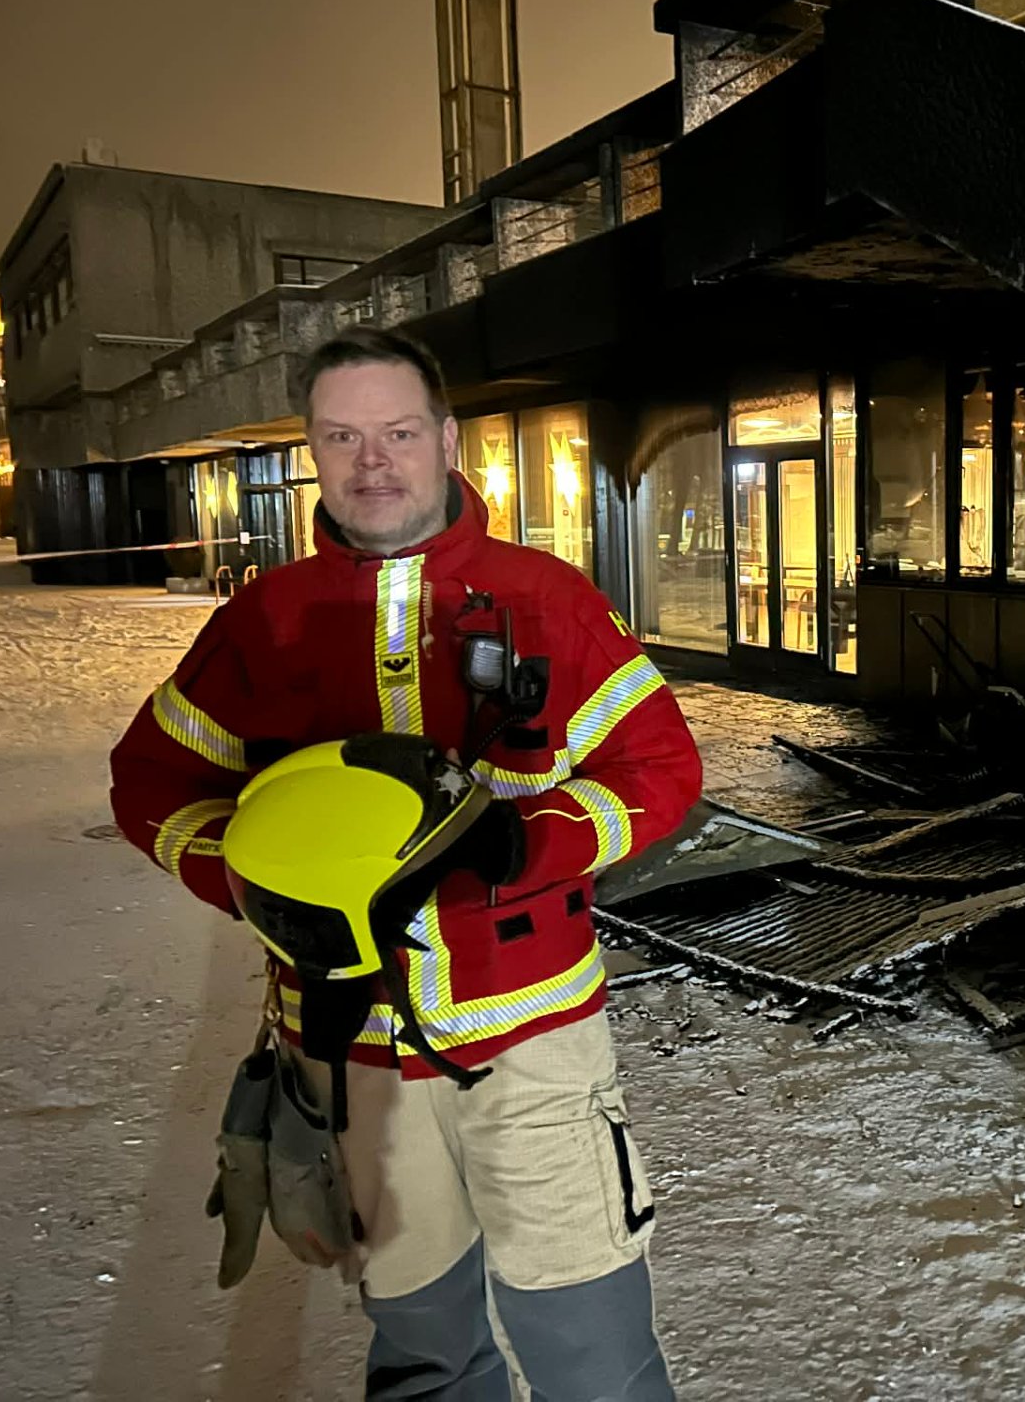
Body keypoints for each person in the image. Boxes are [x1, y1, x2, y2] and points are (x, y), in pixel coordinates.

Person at [110, 326, 701, 1400]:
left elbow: (661, 767)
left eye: (394, 432)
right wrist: (252, 881)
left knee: (595, 1360)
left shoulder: (550, 600)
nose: (371, 461)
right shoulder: (264, 620)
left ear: (444, 437)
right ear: (314, 451)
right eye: (342, 436)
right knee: (426, 1356)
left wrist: (533, 840)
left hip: (533, 1047)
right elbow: (148, 782)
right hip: (354, 1061)